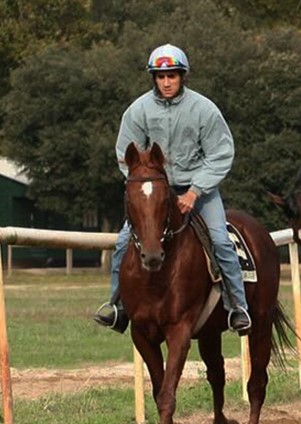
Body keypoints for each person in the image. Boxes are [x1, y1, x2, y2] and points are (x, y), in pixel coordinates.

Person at [93, 44, 251, 334]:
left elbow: (220, 154)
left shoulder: (204, 109)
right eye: (160, 76)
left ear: (182, 76)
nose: (166, 82)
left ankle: (237, 307)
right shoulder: (137, 111)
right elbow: (127, 158)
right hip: (154, 193)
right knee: (123, 242)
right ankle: (117, 306)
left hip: (199, 189)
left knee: (220, 240)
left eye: (172, 76)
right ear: (153, 78)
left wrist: (194, 191)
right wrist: (151, 188)